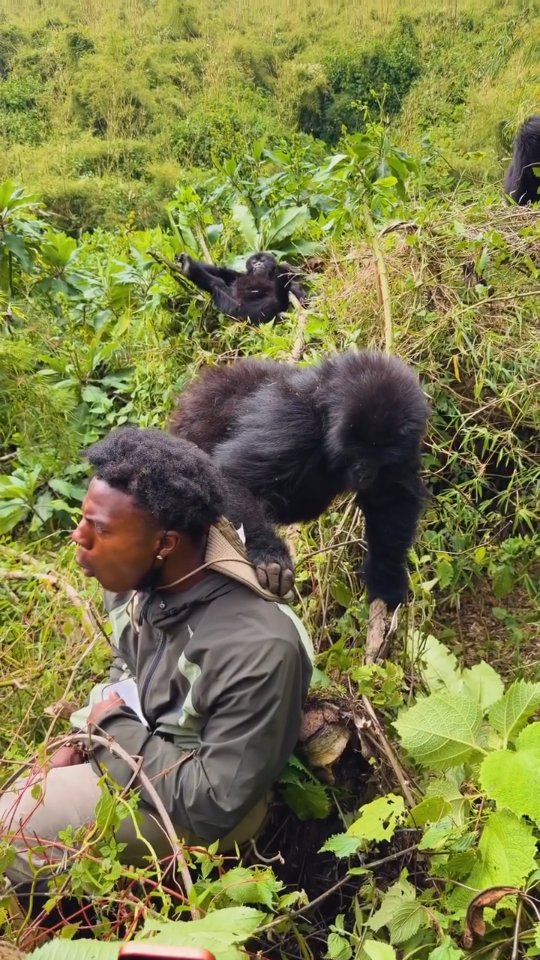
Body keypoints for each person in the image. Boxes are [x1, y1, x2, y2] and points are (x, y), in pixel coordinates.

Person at [0, 427, 313, 905]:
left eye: (100, 529)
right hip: (141, 755)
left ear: (165, 544)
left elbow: (215, 804)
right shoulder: (135, 579)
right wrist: (81, 738)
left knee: (11, 833)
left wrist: (110, 731)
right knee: (21, 798)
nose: (77, 538)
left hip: (206, 806)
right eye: (84, 520)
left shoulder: (258, 646)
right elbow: (128, 669)